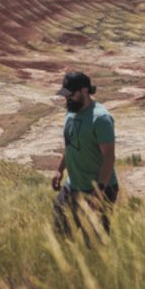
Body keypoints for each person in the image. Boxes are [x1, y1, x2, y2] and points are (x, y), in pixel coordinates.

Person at [52, 71, 118, 238]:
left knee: (95, 243)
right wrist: (60, 170)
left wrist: (99, 190)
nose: (66, 99)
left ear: (84, 91)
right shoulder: (71, 112)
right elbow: (70, 144)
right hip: (72, 186)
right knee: (61, 236)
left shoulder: (101, 118)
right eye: (65, 95)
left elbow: (109, 157)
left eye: (70, 95)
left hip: (98, 189)